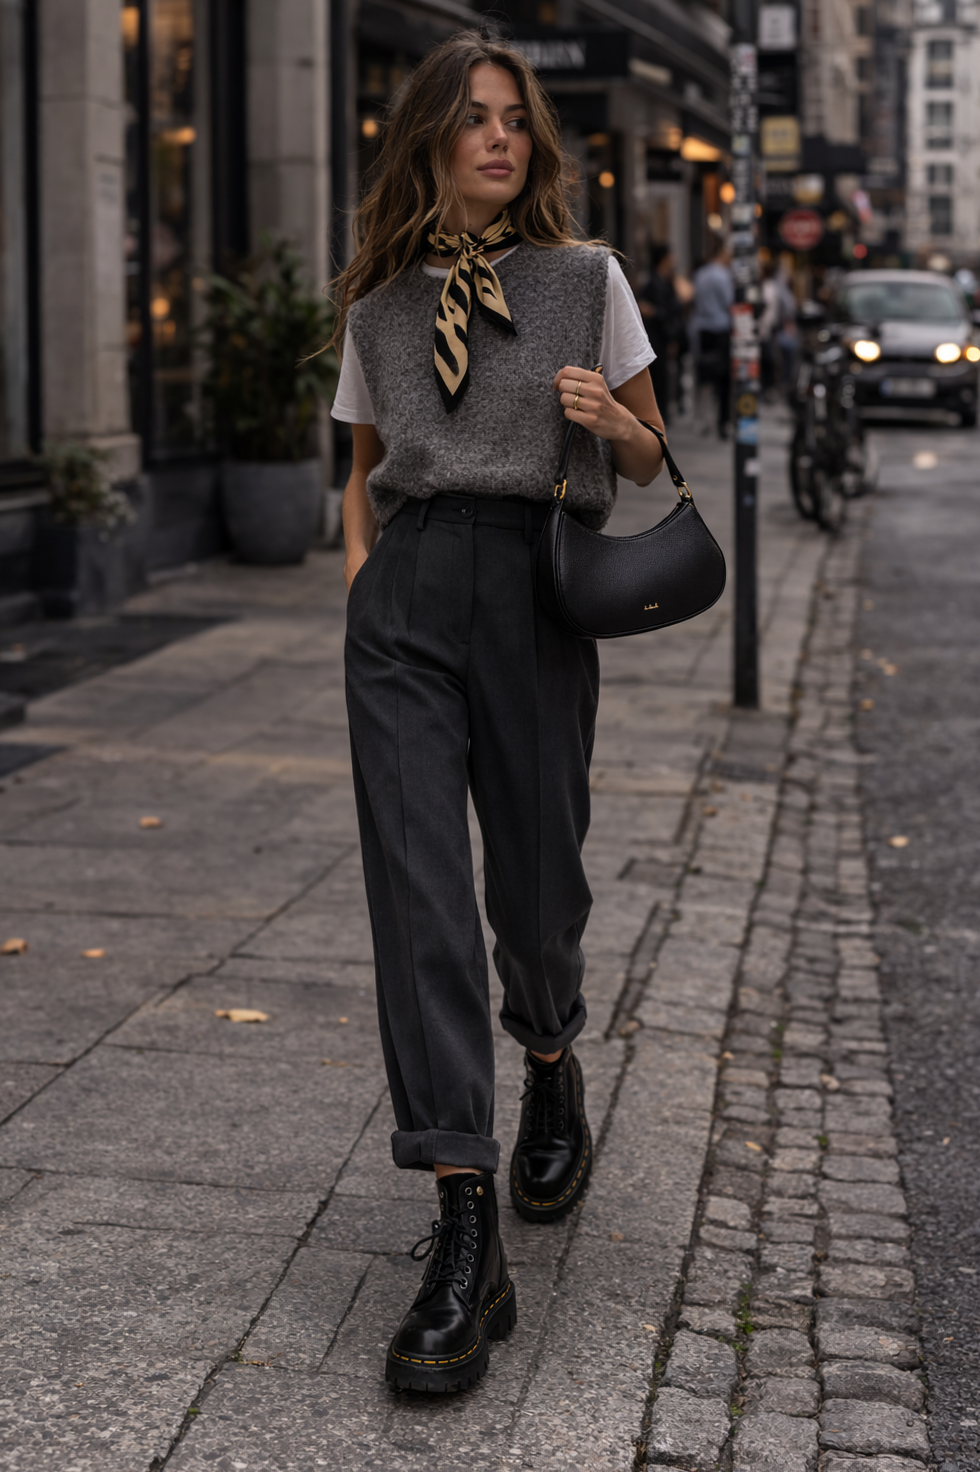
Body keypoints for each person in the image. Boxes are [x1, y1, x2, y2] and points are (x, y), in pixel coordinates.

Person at [329, 29, 666, 1395]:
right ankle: (463, 1222)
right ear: (427, 135)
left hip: (534, 588)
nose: (499, 139)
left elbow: (648, 454)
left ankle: (550, 1048)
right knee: (417, 895)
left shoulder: (587, 281)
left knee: (532, 882)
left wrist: (611, 422)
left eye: (516, 120)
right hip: (408, 601)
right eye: (473, 117)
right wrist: (364, 581)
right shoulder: (378, 304)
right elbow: (365, 466)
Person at [689, 237, 734, 436]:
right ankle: (721, 421)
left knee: (703, 376)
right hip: (720, 329)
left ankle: (701, 419)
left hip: (702, 329)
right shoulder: (723, 276)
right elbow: (730, 303)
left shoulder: (700, 274)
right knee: (723, 379)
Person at [638, 244, 685, 424]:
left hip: (663, 335)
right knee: (658, 376)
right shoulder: (654, 281)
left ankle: (663, 412)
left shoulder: (665, 280)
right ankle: (659, 414)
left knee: (664, 376)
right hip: (656, 336)